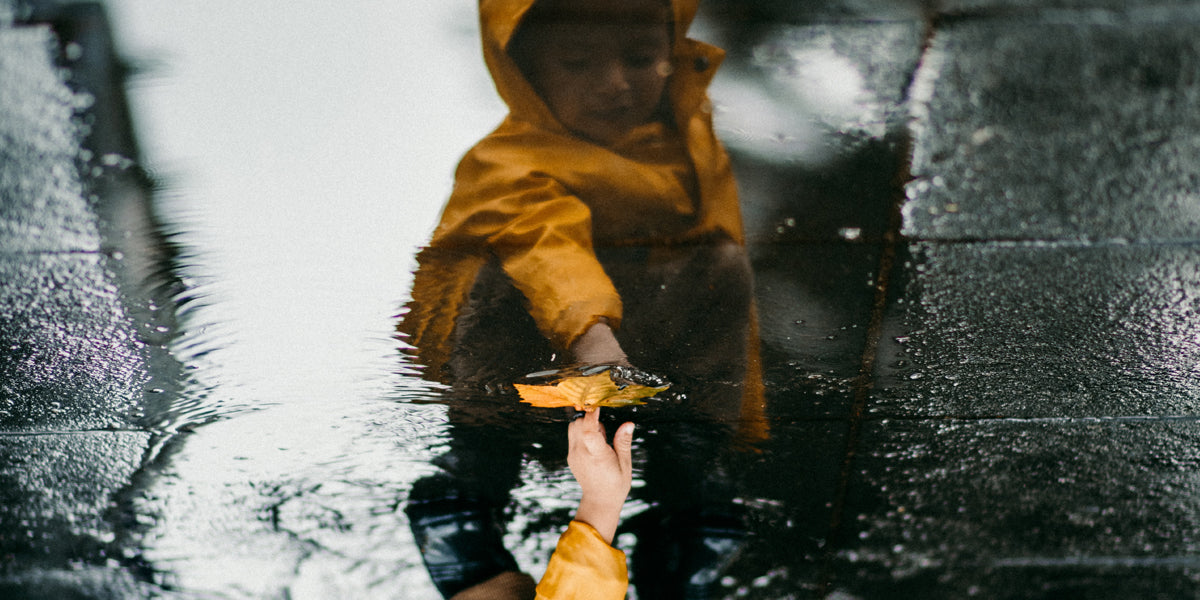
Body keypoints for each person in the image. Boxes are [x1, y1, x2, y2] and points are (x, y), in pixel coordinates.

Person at [401, 0, 762, 596]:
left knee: (722, 264)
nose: (616, 83)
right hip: (517, 344)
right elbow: (544, 243)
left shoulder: (678, 139)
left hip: (635, 328)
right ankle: (464, 484)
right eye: (577, 63)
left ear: (670, 56)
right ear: (528, 74)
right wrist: (591, 336)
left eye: (642, 58)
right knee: (504, 275)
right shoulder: (507, 161)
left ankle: (691, 469)